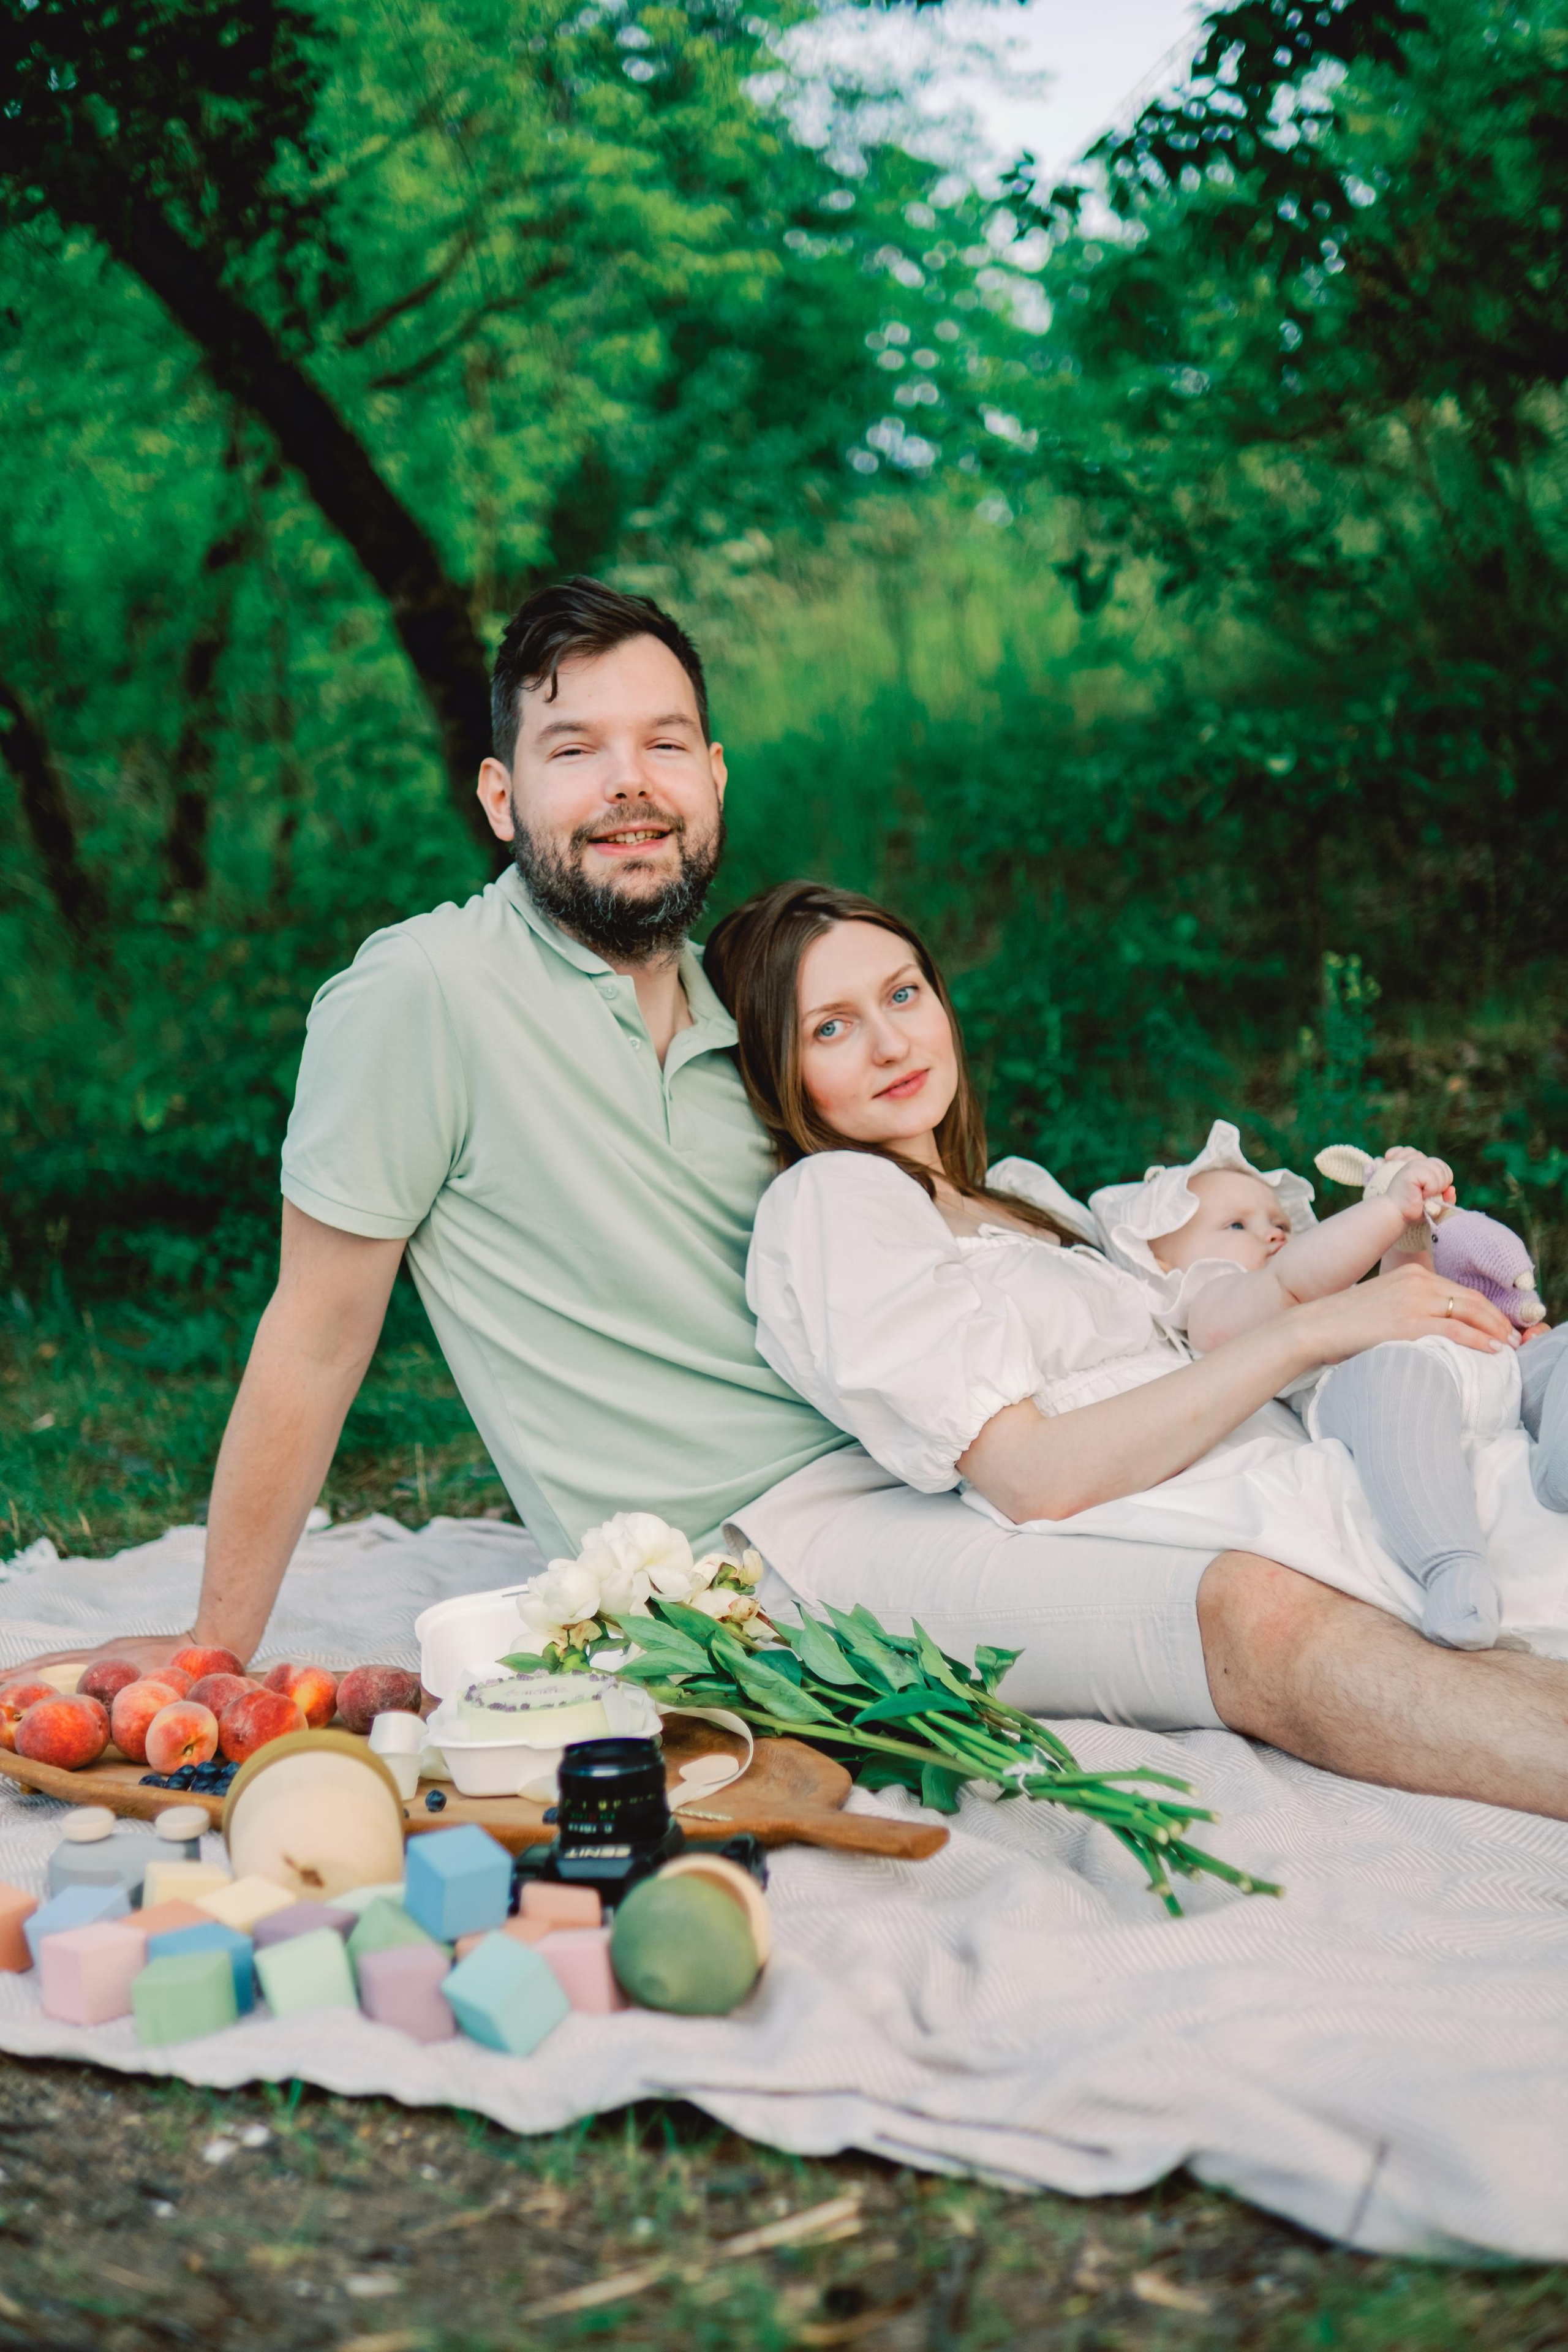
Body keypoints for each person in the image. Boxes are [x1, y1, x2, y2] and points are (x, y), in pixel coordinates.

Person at [21, 588, 1568, 1825]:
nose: (627, 782)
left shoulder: (759, 1012)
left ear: (712, 779)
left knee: (1420, 1496)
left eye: (665, 742)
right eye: (575, 749)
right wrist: (216, 1644)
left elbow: (932, 1249)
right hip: (757, 1547)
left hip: (924, 1442)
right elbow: (316, 1326)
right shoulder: (419, 996)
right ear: (500, 795)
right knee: (1256, 1614)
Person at [1088, 1125, 1568, 1653]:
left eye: (1279, 1222)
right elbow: (1290, 1282)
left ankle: (1560, 1464)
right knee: (1399, 1383)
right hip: (1374, 1383)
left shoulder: (1316, 1287)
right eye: (1236, 1224)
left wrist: (1410, 1233)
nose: (1273, 1234)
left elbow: (1407, 1291)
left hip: (1475, 1366)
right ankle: (1454, 1568)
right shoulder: (1210, 1305)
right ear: (1162, 1264)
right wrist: (1388, 1207)